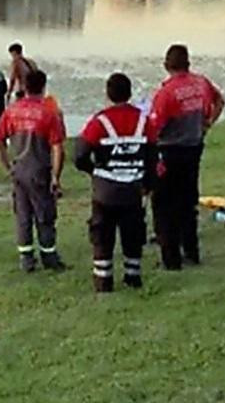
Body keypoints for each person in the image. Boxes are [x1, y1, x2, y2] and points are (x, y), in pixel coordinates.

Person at [147, 44, 225, 270]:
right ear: (188, 63)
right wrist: (208, 123)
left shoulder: (166, 93)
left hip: (170, 150)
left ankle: (170, 258)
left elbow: (155, 127)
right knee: (188, 201)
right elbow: (220, 100)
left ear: (166, 65)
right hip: (194, 147)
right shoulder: (201, 83)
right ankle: (191, 252)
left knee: (164, 204)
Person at [75, 73, 153, 292]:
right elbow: (152, 155)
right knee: (133, 234)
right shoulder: (144, 121)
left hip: (105, 192)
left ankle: (103, 281)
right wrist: (147, 183)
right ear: (129, 93)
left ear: (108, 94)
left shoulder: (100, 122)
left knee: (102, 235)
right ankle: (133, 276)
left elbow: (79, 155)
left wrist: (95, 171)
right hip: (133, 190)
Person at [0, 69, 67, 272]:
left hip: (19, 170)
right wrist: (56, 176)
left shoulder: (12, 111)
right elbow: (57, 147)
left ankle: (26, 258)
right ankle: (49, 257)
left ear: (24, 87)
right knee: (45, 215)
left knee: (23, 215)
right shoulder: (49, 113)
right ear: (43, 87)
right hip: (40, 170)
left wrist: (7, 166)